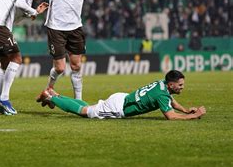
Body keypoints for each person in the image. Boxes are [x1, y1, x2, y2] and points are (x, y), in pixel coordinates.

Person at [27, 0, 115, 100]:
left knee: (76, 66)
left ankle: (78, 101)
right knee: (60, 68)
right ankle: (49, 88)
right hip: (56, 27)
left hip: (75, 27)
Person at [0, 0, 49, 115]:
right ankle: (4, 99)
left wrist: (34, 12)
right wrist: (33, 11)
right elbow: (20, 3)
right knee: (17, 58)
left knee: (5, 63)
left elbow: (16, 17)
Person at [36, 69, 206, 120]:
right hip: (118, 107)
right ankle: (50, 96)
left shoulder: (161, 85)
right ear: (171, 85)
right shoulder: (162, 94)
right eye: (180, 85)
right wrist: (194, 116)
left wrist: (185, 110)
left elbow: (172, 102)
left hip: (122, 98)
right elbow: (170, 116)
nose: (182, 87)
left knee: (88, 107)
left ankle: (53, 94)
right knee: (84, 112)